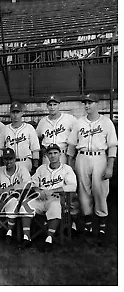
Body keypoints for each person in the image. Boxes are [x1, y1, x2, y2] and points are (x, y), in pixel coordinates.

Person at [67, 93, 117, 245]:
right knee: (83, 192)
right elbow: (71, 145)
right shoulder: (79, 122)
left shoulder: (106, 122)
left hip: (99, 157)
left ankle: (102, 226)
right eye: (85, 103)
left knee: (99, 190)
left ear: (97, 104)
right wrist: (69, 166)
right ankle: (88, 226)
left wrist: (110, 166)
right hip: (82, 157)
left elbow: (112, 146)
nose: (87, 105)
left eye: (90, 102)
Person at [18, 144, 77, 252]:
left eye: (55, 153)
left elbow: (73, 186)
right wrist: (38, 191)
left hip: (57, 199)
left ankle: (49, 239)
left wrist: (52, 190)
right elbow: (32, 182)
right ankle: (26, 238)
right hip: (40, 198)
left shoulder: (66, 169)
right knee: (25, 205)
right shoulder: (42, 168)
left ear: (60, 154)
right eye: (50, 153)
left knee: (55, 207)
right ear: (47, 156)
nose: (53, 156)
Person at [0, 148, 31, 244]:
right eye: (6, 159)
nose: (8, 161)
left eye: (10, 159)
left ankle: (9, 233)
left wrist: (12, 188)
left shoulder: (22, 169)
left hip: (16, 199)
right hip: (1, 198)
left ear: (14, 159)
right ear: (3, 160)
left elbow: (28, 184)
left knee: (13, 204)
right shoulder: (0, 171)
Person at [0, 101, 40, 174]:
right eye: (13, 112)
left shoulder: (29, 128)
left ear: (22, 113)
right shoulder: (5, 129)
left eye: (17, 112)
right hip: (9, 163)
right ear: (10, 114)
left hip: (25, 162)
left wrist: (35, 167)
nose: (15, 115)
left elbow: (35, 149)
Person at [36, 95, 77, 164]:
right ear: (47, 106)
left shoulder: (70, 119)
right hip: (47, 155)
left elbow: (77, 135)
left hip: (63, 154)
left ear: (59, 105)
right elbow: (36, 137)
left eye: (55, 104)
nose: (52, 107)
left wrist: (71, 153)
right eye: (50, 105)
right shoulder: (42, 122)